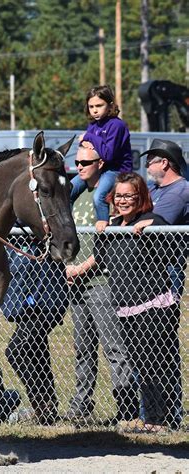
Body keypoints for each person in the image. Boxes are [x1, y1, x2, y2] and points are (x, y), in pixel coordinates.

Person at [95, 172, 178, 433]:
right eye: (118, 195)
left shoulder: (151, 222)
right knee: (140, 363)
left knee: (154, 361)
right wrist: (102, 229)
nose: (122, 200)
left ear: (140, 196)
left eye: (129, 195)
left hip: (153, 304)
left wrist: (153, 226)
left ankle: (159, 420)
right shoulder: (114, 224)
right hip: (125, 307)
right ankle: (151, 417)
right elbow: (103, 259)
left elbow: (176, 249)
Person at [65, 145, 139, 423]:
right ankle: (81, 406)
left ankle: (127, 409)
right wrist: (68, 267)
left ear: (100, 163)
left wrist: (83, 267)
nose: (80, 166)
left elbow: (109, 243)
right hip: (76, 284)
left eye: (85, 162)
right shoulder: (78, 194)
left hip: (101, 282)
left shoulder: (105, 197)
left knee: (114, 348)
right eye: (77, 162)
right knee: (83, 349)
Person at [133, 139, 188, 430]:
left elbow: (154, 221)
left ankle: (169, 415)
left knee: (161, 346)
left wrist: (140, 219)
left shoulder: (181, 190)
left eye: (151, 161)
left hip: (166, 274)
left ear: (164, 162)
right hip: (146, 274)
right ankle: (151, 414)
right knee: (145, 347)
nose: (148, 167)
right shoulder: (155, 190)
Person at [1, 234, 68, 425]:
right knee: (37, 351)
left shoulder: (44, 232)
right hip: (27, 305)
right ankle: (47, 409)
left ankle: (42, 404)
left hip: (46, 302)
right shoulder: (13, 238)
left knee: (16, 350)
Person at [70, 85, 132, 232]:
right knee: (67, 190)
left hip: (116, 170)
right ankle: (67, 224)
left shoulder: (117, 125)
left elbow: (108, 155)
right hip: (98, 168)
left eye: (99, 105)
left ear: (110, 105)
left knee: (99, 197)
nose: (95, 110)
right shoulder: (93, 125)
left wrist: (90, 138)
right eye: (91, 106)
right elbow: (86, 147)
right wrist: (90, 142)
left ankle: (103, 225)